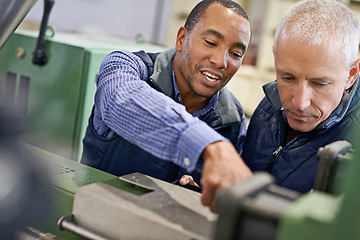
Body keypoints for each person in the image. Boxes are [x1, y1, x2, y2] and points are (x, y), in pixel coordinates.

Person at [81, 0, 253, 210]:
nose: (221, 61)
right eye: (210, 42)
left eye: (235, 54)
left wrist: (199, 195)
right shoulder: (126, 67)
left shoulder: (232, 118)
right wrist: (207, 145)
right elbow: (120, 99)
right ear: (181, 38)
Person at [241, 0, 360, 193]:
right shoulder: (269, 105)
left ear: (352, 74)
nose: (299, 103)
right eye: (287, 77)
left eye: (320, 84)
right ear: (276, 55)